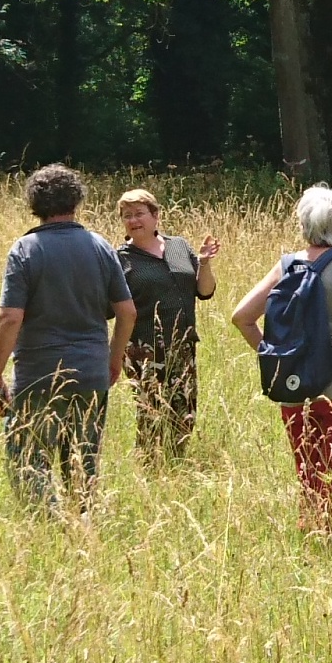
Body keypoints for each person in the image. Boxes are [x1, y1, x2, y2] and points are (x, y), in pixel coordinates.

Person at [230, 188, 332, 532]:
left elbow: (241, 317)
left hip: (296, 384)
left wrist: (271, 356)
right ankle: (330, 546)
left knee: (310, 478)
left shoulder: (287, 266)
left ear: (303, 223)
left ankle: (311, 540)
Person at [0, 163, 136, 517]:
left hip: (40, 374)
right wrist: (113, 360)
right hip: (90, 372)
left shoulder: (25, 249)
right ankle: (82, 531)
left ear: (34, 203)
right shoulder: (100, 246)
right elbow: (127, 310)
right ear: (76, 200)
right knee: (82, 464)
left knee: (29, 461)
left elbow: (10, 317)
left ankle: (50, 528)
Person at [116, 189, 220, 462]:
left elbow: (205, 291)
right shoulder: (121, 259)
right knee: (150, 414)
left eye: (139, 214)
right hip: (144, 349)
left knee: (185, 410)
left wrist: (205, 263)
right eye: (127, 216)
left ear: (155, 216)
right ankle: (149, 468)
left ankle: (177, 464)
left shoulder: (179, 246)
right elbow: (110, 308)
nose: (133, 220)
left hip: (183, 345)